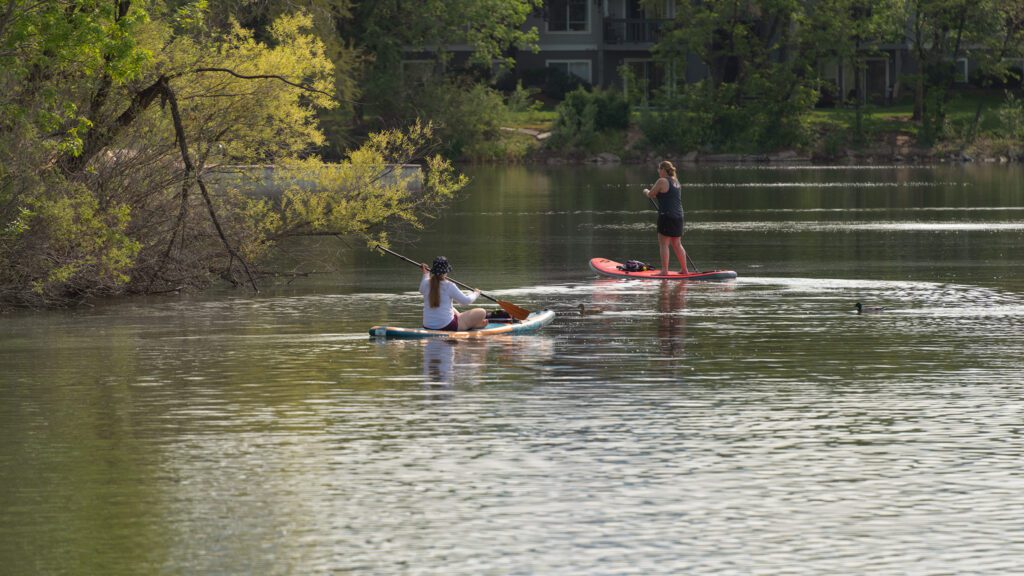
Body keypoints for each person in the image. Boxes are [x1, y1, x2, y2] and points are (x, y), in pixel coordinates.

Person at [643, 160, 688, 275]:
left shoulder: (662, 181)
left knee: (664, 244)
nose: (658, 171)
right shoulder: (676, 182)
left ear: (663, 170)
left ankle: (664, 271)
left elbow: (651, 194)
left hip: (666, 216)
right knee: (677, 244)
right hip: (679, 216)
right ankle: (684, 269)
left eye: (659, 169)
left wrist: (646, 191)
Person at [419, 256, 488, 331]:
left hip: (427, 326)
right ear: (446, 271)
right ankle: (473, 325)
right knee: (482, 312)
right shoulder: (449, 285)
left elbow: (422, 288)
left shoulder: (425, 283)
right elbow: (465, 301)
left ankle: (471, 323)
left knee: (450, 307)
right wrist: (476, 293)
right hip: (447, 327)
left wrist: (425, 274)